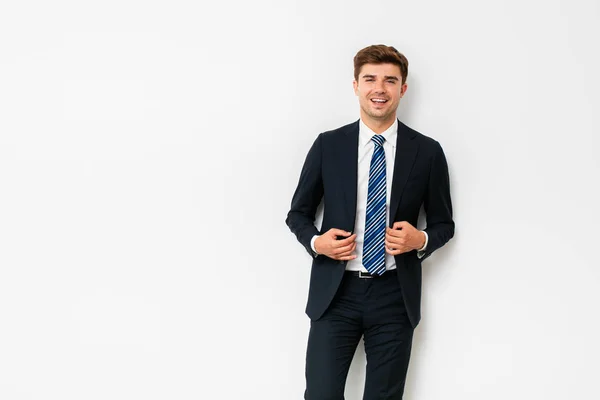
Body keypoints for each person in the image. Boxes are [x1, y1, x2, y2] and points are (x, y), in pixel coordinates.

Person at [285, 44, 455, 399]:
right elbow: (298, 213)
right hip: (336, 293)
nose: (380, 88)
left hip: (394, 294)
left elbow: (444, 224)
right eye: (370, 79)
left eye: (390, 80)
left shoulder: (427, 152)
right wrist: (318, 243)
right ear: (356, 86)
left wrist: (419, 240)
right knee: (320, 394)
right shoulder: (328, 145)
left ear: (402, 89)